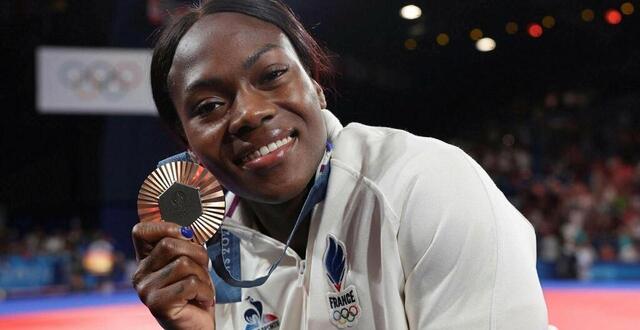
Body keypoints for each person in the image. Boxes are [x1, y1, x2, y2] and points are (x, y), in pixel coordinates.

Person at [131, 0, 548, 329]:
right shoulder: (211, 262)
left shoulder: (425, 185)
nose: (249, 113)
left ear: (314, 84)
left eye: (272, 74)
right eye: (209, 105)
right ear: (186, 141)